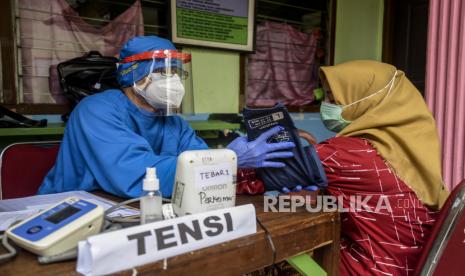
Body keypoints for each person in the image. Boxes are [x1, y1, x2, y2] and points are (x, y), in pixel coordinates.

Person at [38, 36, 295, 198]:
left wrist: (258, 171)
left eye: (177, 72)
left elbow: (200, 166)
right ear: (132, 75)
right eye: (162, 71)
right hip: (72, 209)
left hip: (136, 209)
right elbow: (137, 175)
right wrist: (231, 159)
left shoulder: (173, 122)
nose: (172, 80)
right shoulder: (96, 110)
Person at [315, 60, 449, 275]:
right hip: (407, 264)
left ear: (365, 101)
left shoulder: (348, 154)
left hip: (366, 268)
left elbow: (252, 177)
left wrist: (244, 152)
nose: (327, 105)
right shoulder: (413, 146)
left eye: (335, 98)